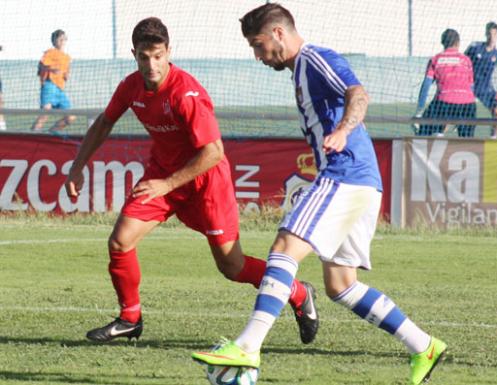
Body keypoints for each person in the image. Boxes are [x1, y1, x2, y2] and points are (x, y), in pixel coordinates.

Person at [191, 4, 447, 385]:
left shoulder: (314, 58)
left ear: (279, 33)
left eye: (259, 45)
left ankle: (247, 346)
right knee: (341, 285)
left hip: (345, 174)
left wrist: (343, 129)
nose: (258, 56)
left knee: (284, 247)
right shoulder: (299, 71)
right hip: (362, 181)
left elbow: (357, 93)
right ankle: (424, 345)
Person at [64, 17, 318, 345]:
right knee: (120, 242)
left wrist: (167, 184)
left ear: (169, 52)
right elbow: (103, 122)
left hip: (205, 183)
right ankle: (130, 318)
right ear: (134, 54)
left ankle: (298, 292)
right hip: (163, 177)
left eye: (158, 56)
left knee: (232, 266)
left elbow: (213, 152)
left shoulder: (186, 93)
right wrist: (77, 166)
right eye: (144, 57)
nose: (151, 64)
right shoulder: (131, 86)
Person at [414, 29, 476, 137]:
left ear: (442, 43)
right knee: (467, 140)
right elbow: (471, 87)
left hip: (444, 103)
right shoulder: (466, 60)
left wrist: (419, 111)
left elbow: (426, 86)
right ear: (458, 43)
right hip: (467, 105)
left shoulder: (436, 59)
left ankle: (436, 138)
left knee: (424, 130)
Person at [465, 21, 497, 138]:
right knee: (460, 111)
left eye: (494, 34)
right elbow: (463, 61)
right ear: (485, 34)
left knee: (496, 110)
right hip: (470, 86)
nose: (491, 37)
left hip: (485, 88)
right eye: (489, 34)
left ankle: (493, 136)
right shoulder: (475, 47)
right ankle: (441, 132)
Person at [32, 30, 77, 133]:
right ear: (54, 41)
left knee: (71, 117)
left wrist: (66, 75)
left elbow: (65, 73)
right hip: (49, 86)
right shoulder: (50, 52)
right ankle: (32, 136)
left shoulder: (67, 57)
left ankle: (51, 132)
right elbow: (41, 65)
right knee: (45, 113)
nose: (62, 41)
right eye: (59, 38)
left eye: (64, 38)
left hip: (60, 89)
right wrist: (51, 70)